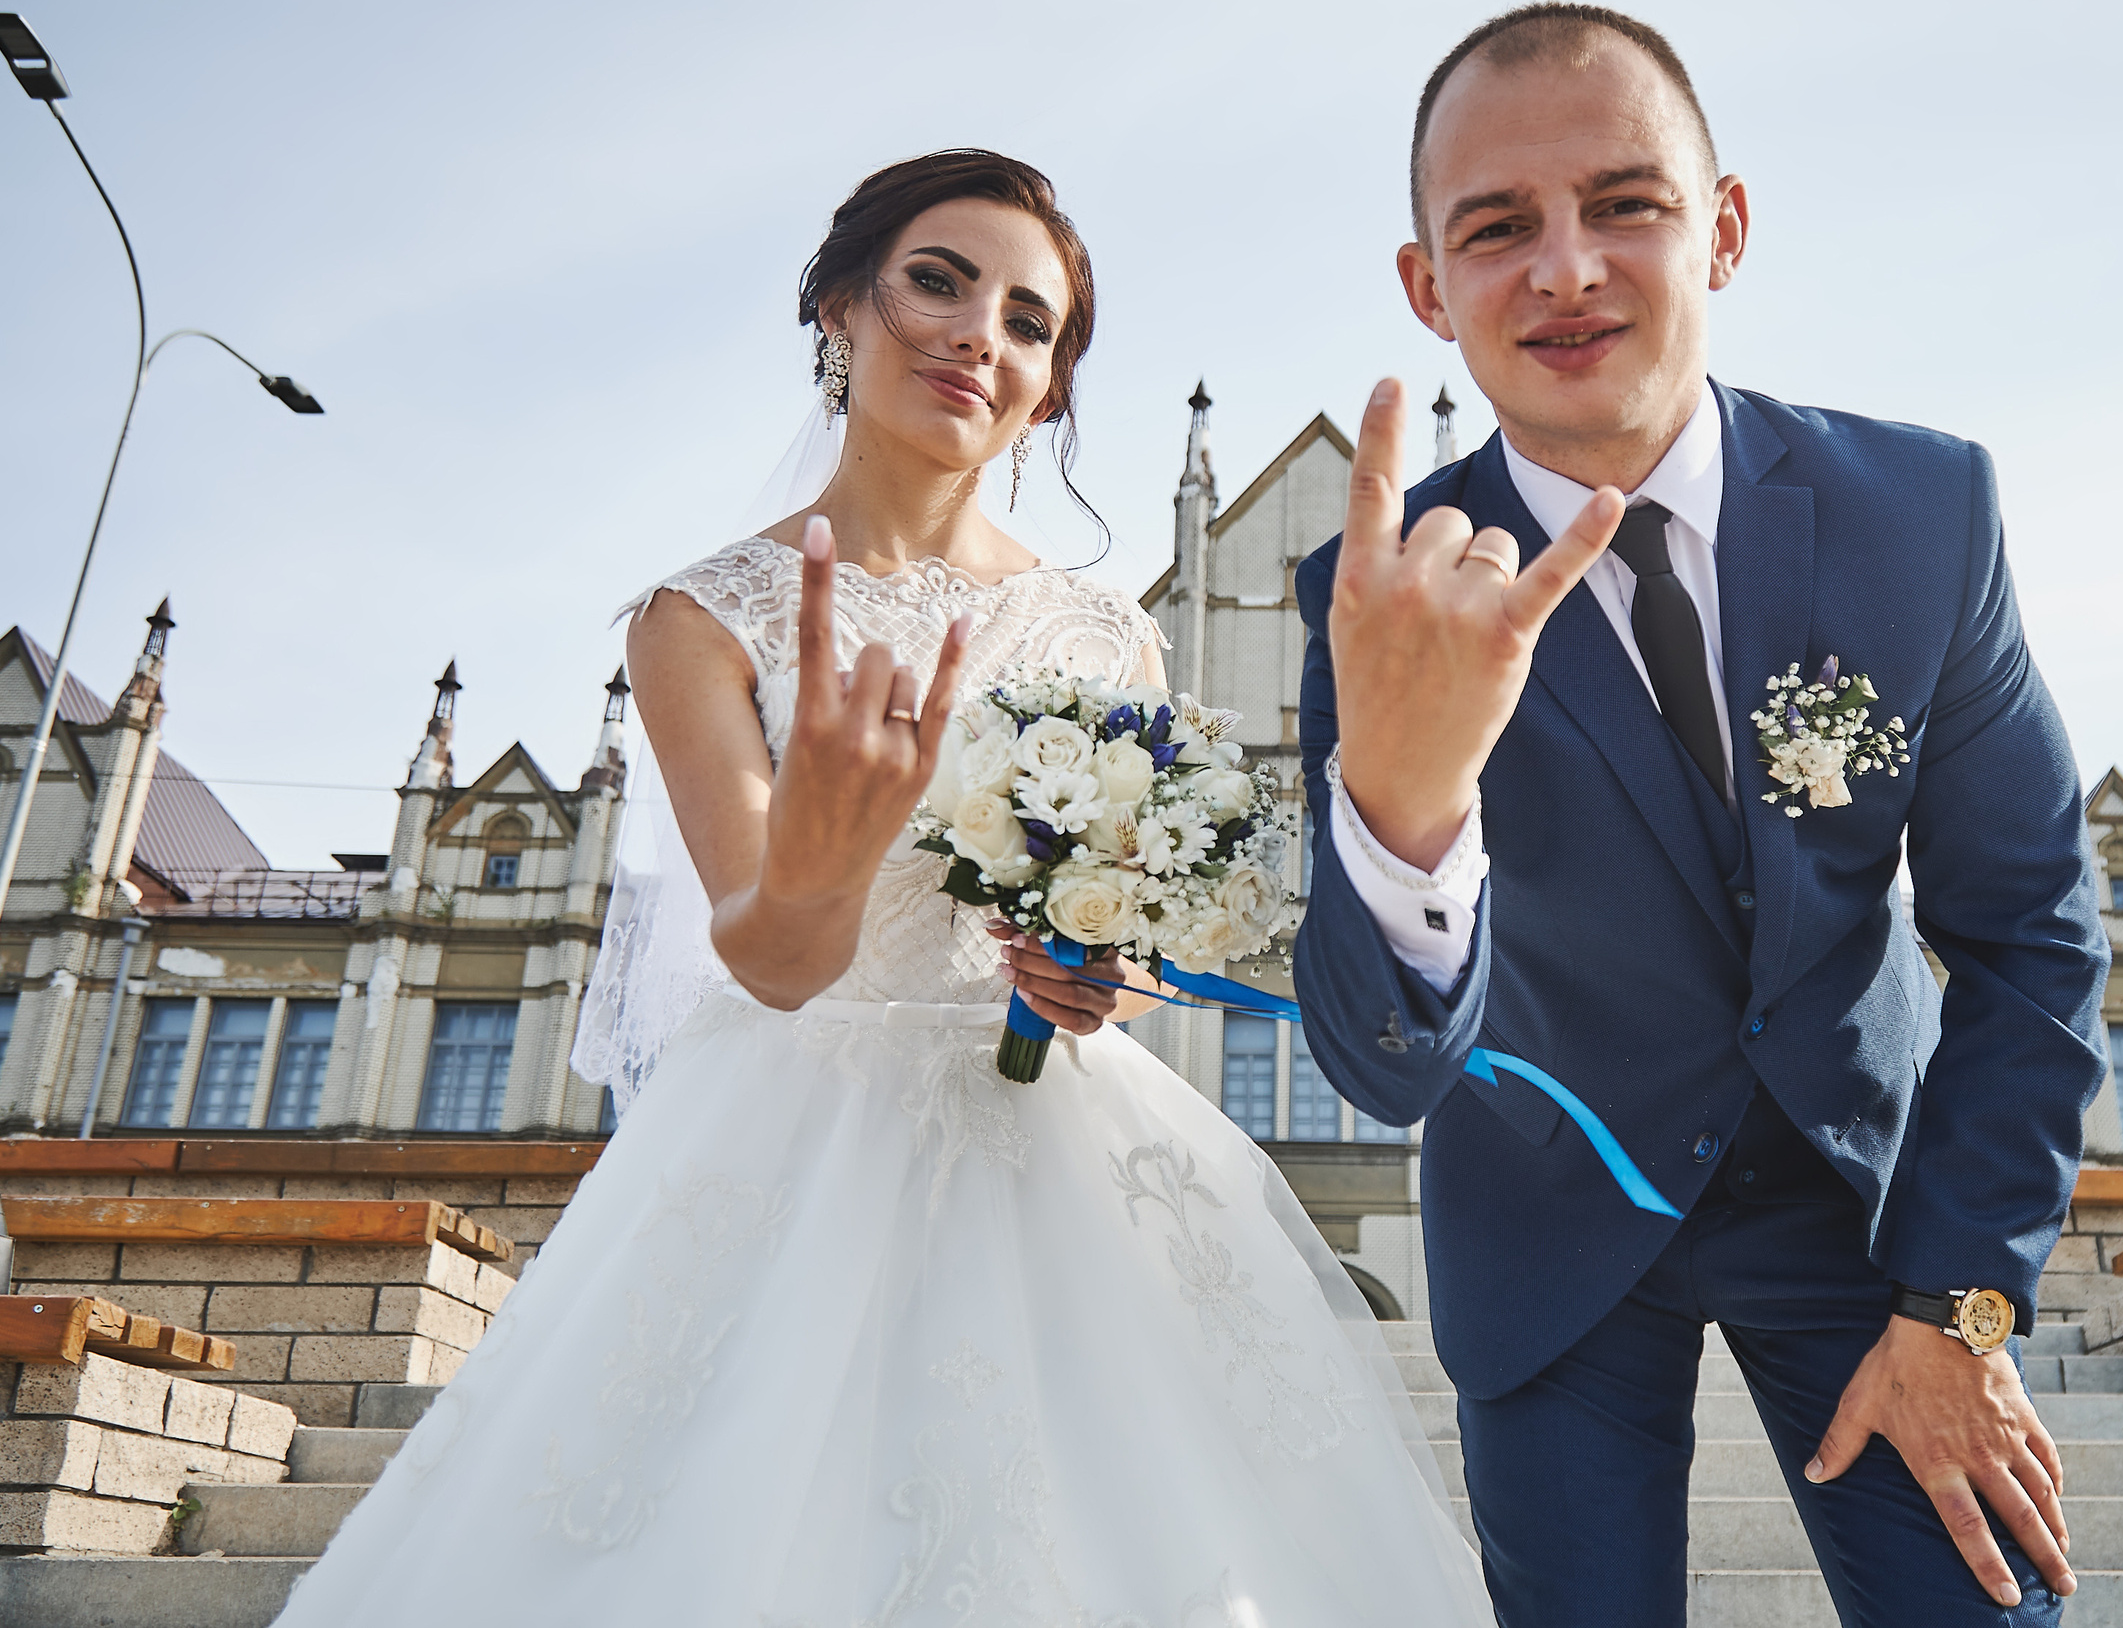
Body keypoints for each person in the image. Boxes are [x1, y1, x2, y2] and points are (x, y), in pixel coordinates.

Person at [275, 150, 1495, 1628]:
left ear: (1048, 390)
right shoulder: (699, 621)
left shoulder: (1109, 633)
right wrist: (827, 844)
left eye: (1032, 322)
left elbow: (1102, 923)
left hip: (1053, 1140)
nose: (982, 330)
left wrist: (1084, 969)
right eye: (940, 278)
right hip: (799, 1126)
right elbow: (774, 960)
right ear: (840, 305)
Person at [1291, 5, 2110, 1626]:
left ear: (1722, 227)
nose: (1568, 268)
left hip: (1872, 1222)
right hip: (1550, 1246)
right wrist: (1404, 803)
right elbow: (1379, 1064)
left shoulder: (1924, 515)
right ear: (1425, 286)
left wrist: (1962, 1306)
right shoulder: (1371, 591)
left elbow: (2030, 939)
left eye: (1626, 203)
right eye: (1498, 227)